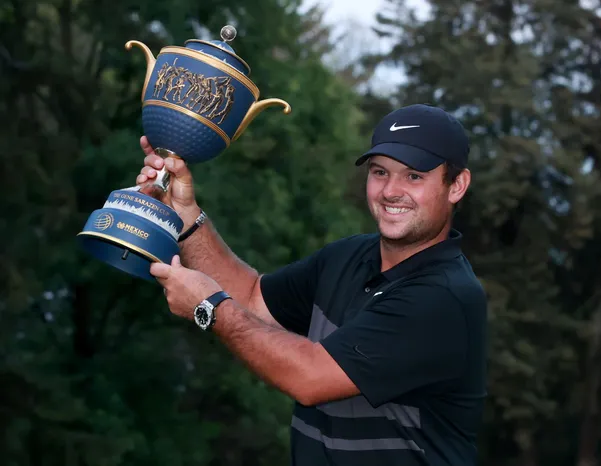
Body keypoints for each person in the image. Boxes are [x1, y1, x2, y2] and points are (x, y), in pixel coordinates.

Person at [137, 103, 488, 466]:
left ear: (456, 185)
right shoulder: (348, 256)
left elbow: (310, 378)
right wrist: (185, 215)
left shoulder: (444, 297)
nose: (390, 191)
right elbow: (253, 297)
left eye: (414, 176)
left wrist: (208, 307)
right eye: (380, 172)